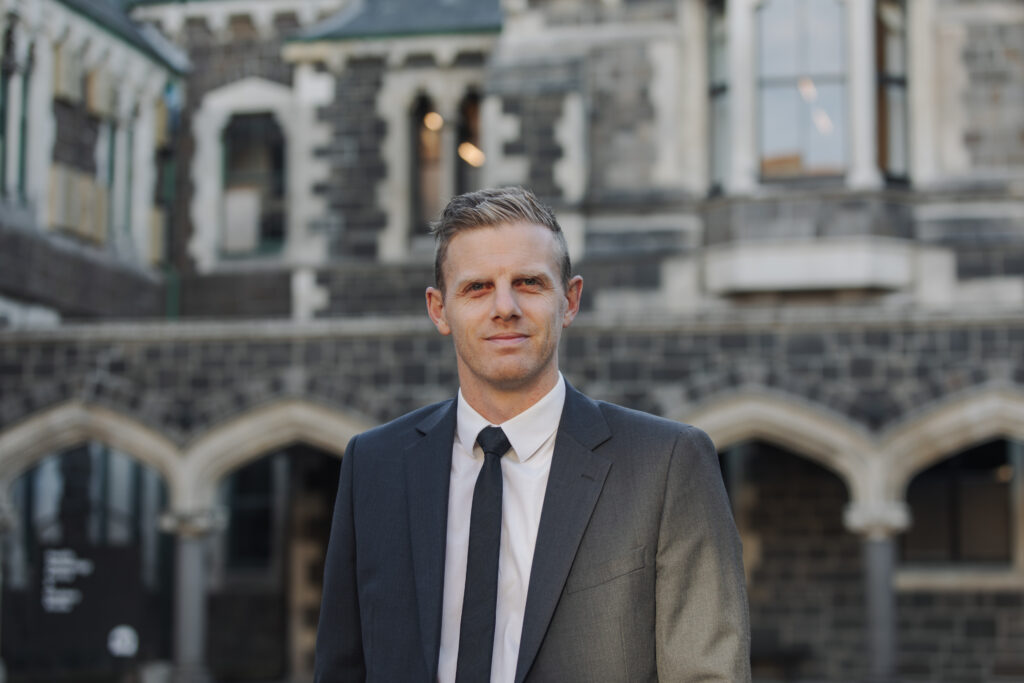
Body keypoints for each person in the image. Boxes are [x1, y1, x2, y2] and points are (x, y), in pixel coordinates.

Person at [314, 187, 750, 682]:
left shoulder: (666, 463)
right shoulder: (375, 465)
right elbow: (340, 667)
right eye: (477, 288)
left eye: (528, 283)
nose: (505, 307)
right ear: (439, 310)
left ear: (570, 300)